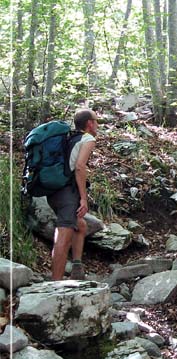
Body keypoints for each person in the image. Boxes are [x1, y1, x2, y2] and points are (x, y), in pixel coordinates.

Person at [47, 109, 98, 280]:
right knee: (63, 237)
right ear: (89, 123)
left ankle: (76, 266)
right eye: (96, 121)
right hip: (67, 193)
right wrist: (83, 198)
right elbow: (79, 167)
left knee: (80, 225)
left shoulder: (69, 137)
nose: (97, 125)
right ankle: (55, 286)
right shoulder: (88, 138)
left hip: (54, 192)